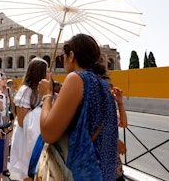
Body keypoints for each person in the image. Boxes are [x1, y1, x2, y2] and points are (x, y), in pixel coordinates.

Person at [37, 34, 118, 180]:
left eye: (63, 57)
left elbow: (48, 133)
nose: (63, 61)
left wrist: (47, 94)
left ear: (72, 56)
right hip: (97, 170)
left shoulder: (76, 78)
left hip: (76, 171)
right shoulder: (103, 86)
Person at [10, 57, 48, 181]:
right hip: (26, 138)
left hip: (37, 138)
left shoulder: (41, 90)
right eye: (46, 71)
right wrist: (40, 111)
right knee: (27, 171)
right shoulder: (26, 91)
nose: (48, 73)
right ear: (39, 73)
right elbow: (21, 121)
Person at [101, 74, 128, 181]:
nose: (110, 88)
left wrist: (120, 102)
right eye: (107, 85)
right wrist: (115, 140)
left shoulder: (109, 107)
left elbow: (124, 123)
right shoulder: (94, 107)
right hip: (100, 164)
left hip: (114, 163)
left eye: (111, 84)